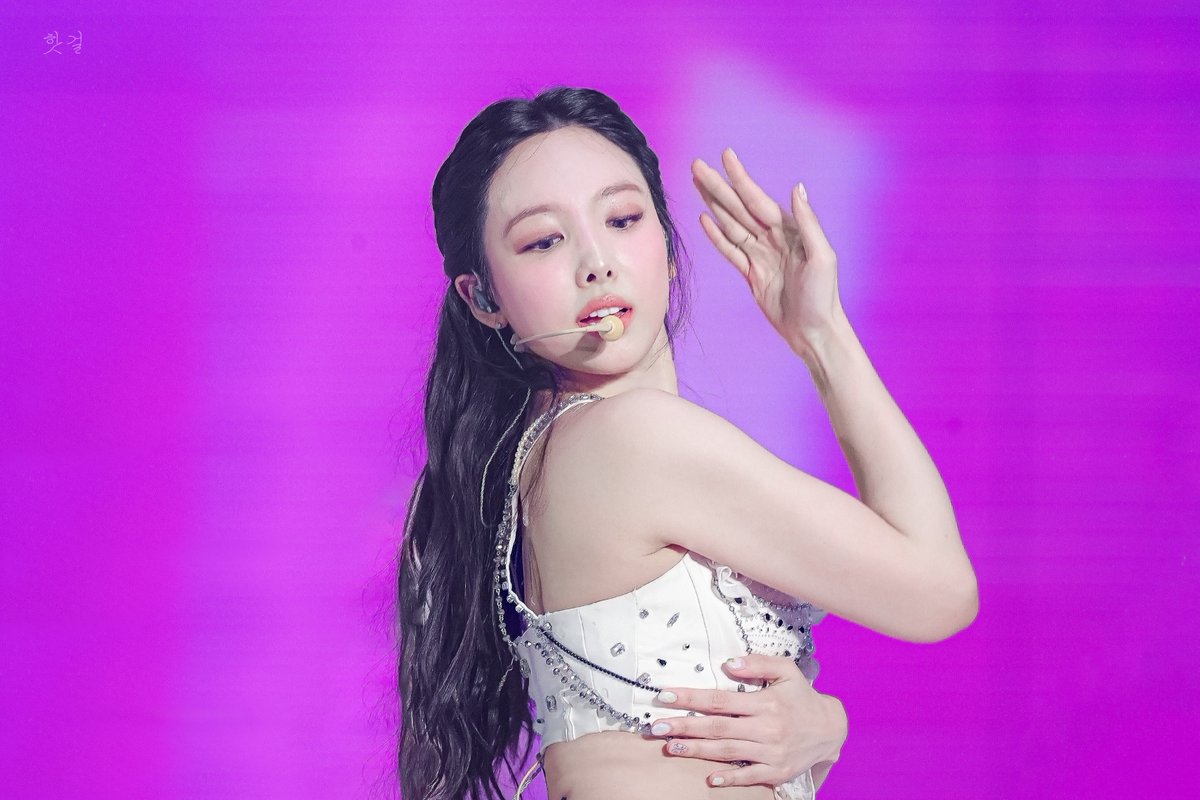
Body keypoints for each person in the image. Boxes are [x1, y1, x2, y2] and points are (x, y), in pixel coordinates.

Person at [398, 86, 977, 800]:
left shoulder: (544, 454)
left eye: (622, 219)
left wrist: (823, 722)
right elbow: (938, 590)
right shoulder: (633, 438)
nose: (596, 262)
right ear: (484, 297)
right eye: (544, 241)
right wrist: (823, 336)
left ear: (669, 247)